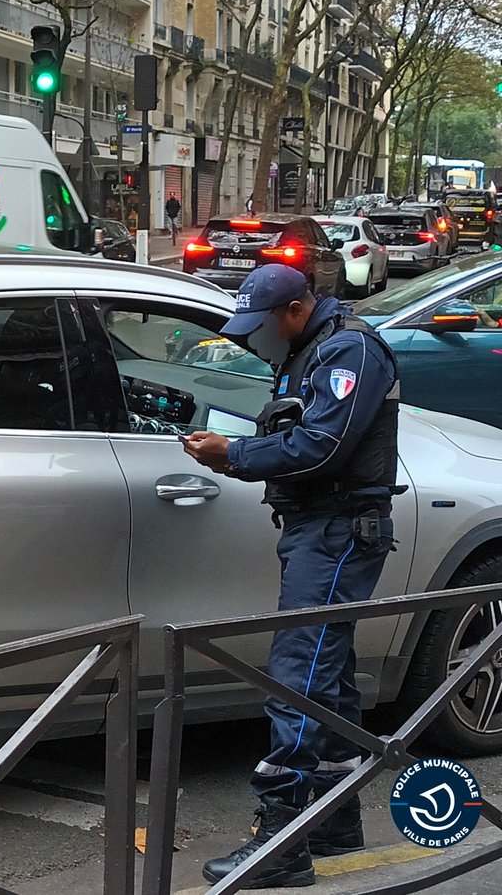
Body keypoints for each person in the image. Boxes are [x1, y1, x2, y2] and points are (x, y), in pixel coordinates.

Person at [181, 265, 403, 889]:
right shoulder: (314, 348)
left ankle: (281, 844)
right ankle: (333, 823)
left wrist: (234, 455)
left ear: (297, 309)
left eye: (263, 326)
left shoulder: (349, 350)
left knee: (297, 676)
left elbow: (323, 447)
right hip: (319, 526)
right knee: (326, 677)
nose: (258, 340)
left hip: (337, 529)